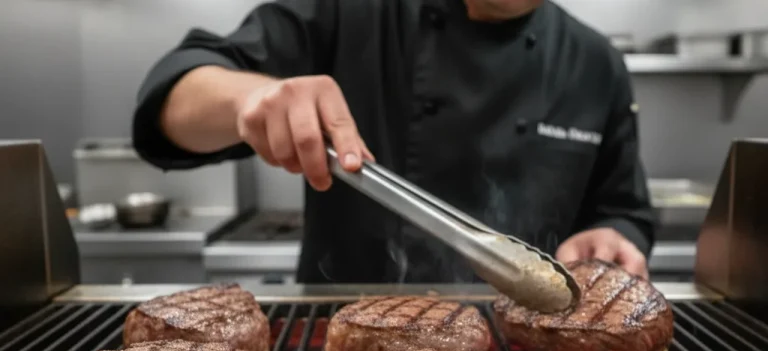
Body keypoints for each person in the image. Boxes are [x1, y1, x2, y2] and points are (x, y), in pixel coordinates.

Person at [133, 0, 655, 284]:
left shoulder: (596, 63)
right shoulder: (348, 11)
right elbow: (171, 97)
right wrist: (247, 99)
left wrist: (612, 238)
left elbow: (622, 210)